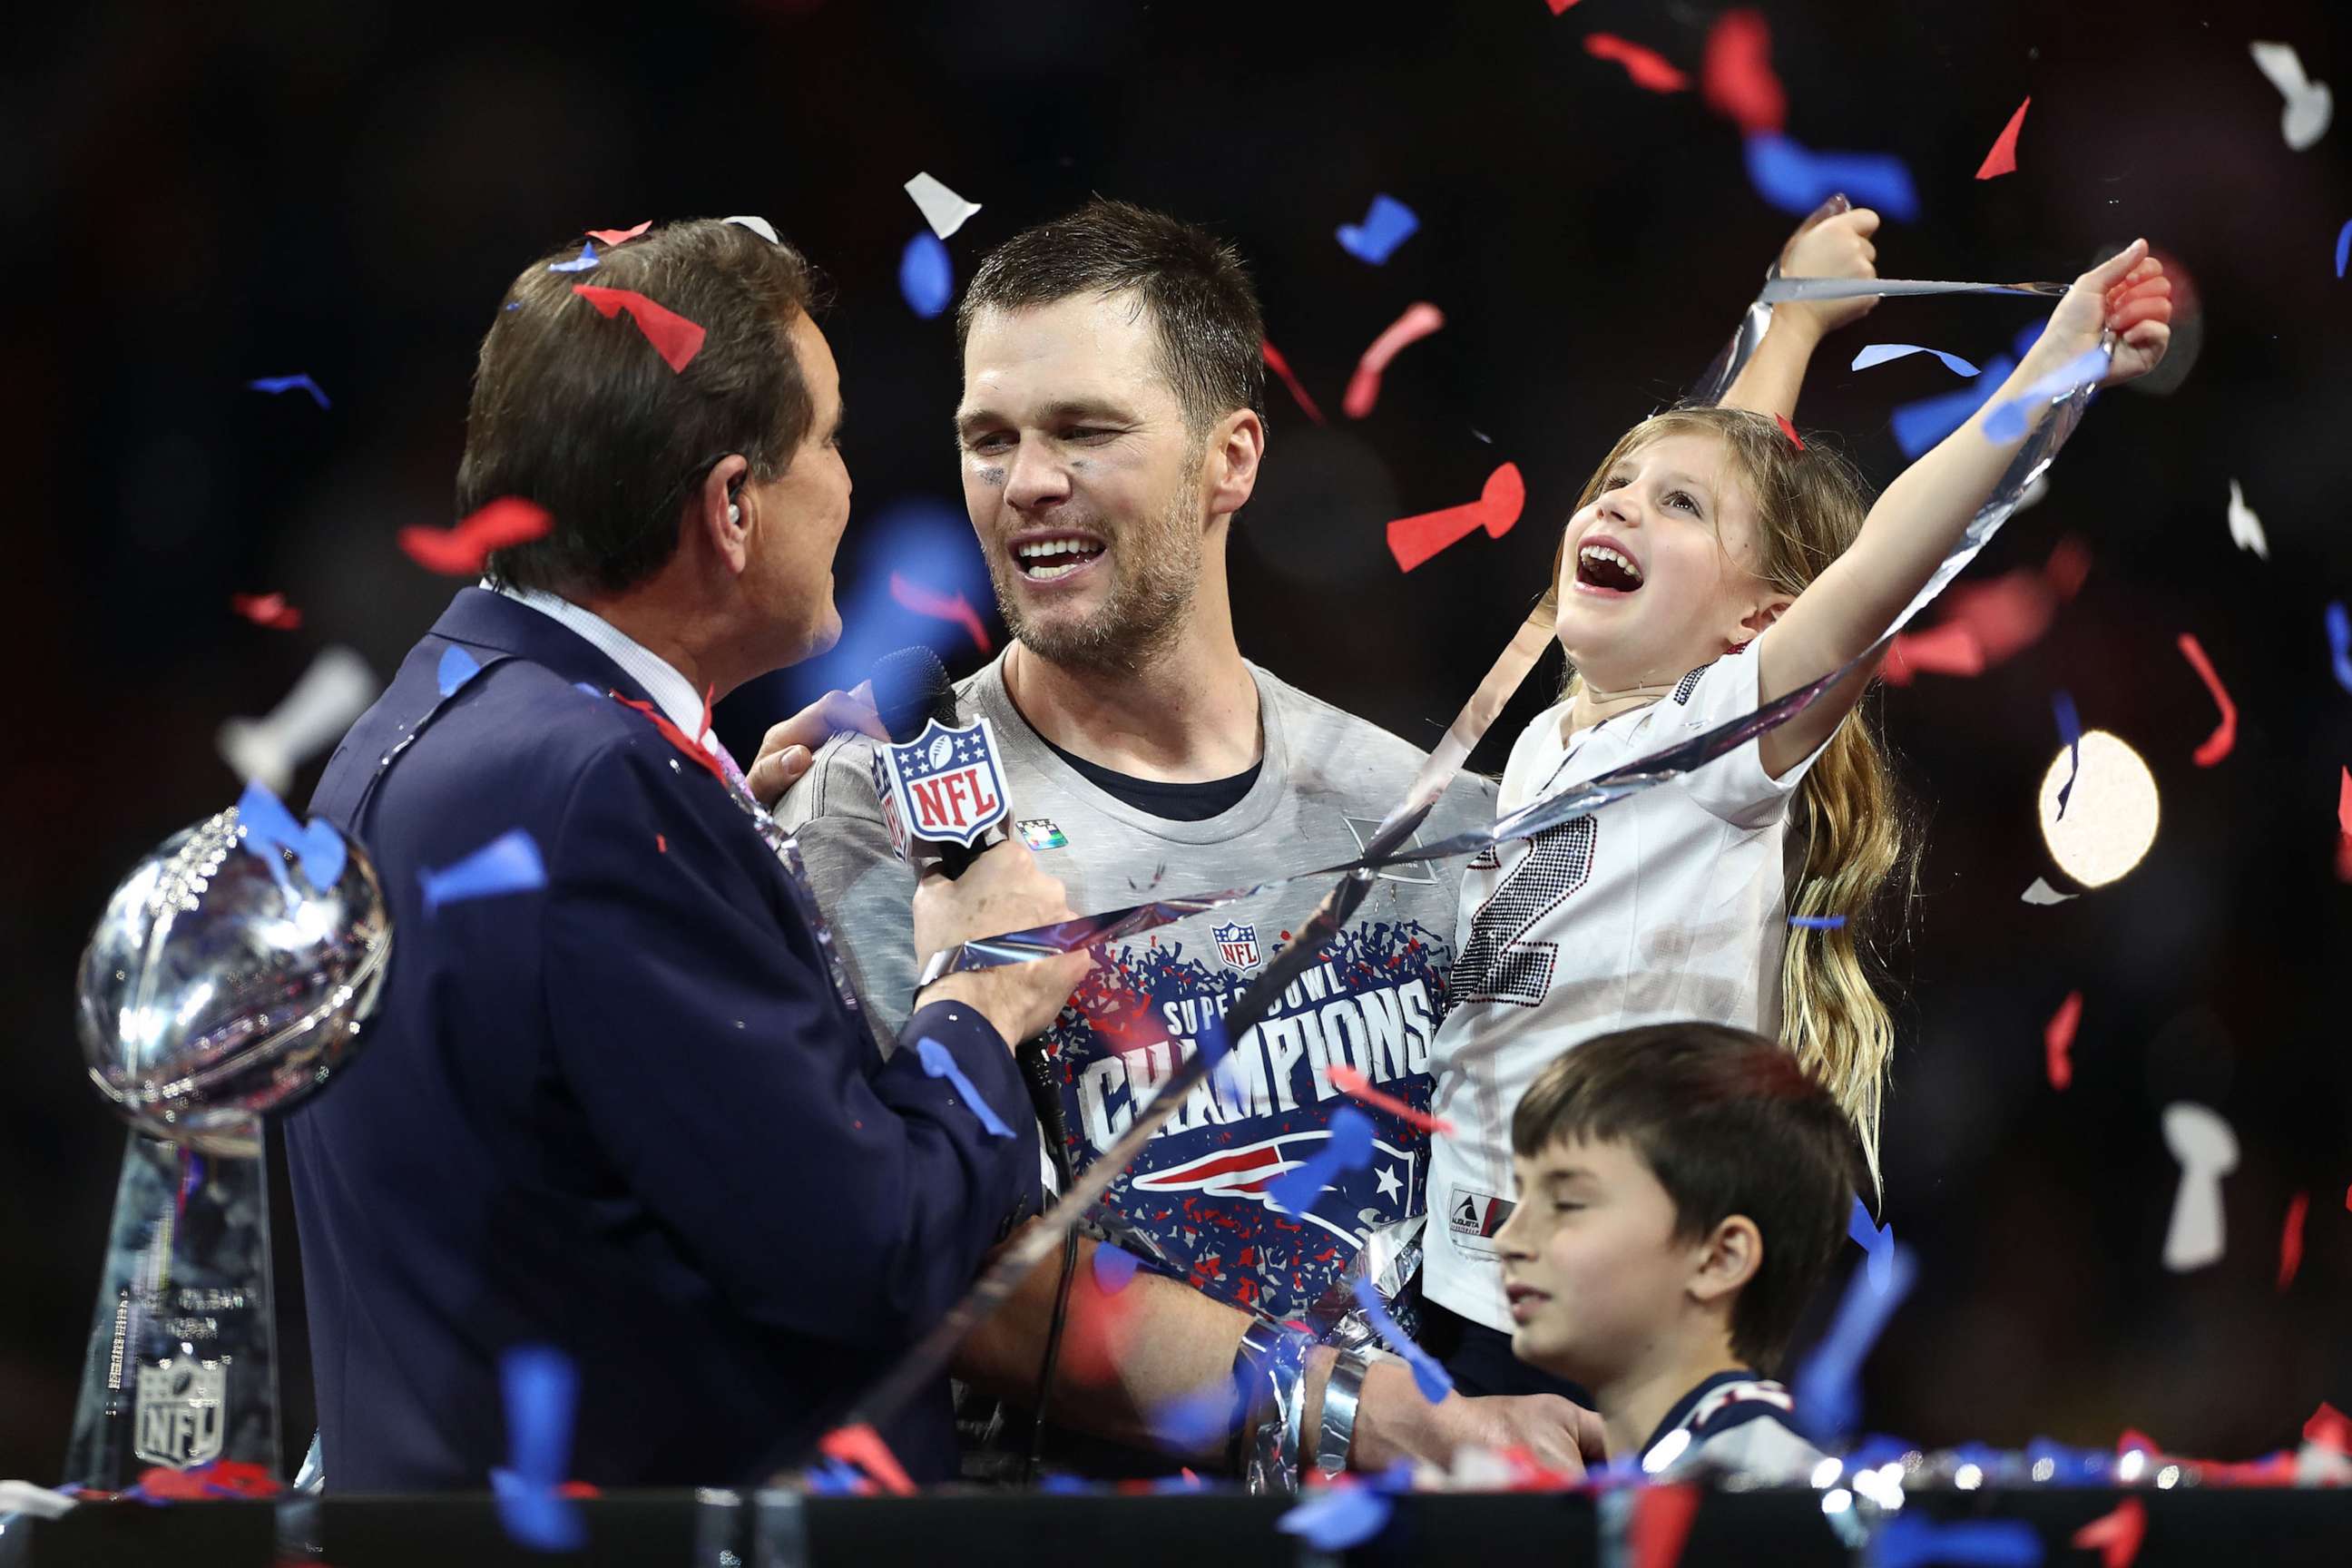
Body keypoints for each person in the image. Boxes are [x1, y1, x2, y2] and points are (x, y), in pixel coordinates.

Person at [759, 199, 1876, 1485]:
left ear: (1231, 460)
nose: (1028, 484)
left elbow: (1706, 655)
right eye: (989, 439)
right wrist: (1355, 1413)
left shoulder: (1436, 820)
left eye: (1085, 431)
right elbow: (911, 1263)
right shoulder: (881, 815)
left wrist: (1786, 333)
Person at [283, 218, 1089, 1493]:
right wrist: (980, 1000)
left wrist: (728, 834)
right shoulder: (602, 792)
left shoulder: (426, 728)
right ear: (730, 504)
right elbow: (878, 1258)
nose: (845, 480)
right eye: (823, 440)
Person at [1424, 240, 2174, 1384]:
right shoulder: (1553, 737)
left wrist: (2049, 370)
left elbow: (1883, 562)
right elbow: (1727, 482)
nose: (1621, 505)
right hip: (1458, 1281)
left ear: (1757, 626)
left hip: (1593, 1312)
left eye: (1670, 507)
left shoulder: (1722, 742)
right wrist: (1794, 323)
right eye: (1614, 487)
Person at [1492, 1021, 1850, 1479]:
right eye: (1520, 1196)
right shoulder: (1675, 1474)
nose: (1507, 1239)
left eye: (1567, 1204)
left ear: (1720, 1258)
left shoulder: (1763, 1491)